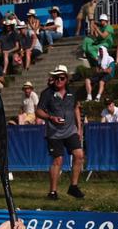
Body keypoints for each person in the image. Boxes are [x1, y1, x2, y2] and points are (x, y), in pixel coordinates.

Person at [36, 65, 84, 200]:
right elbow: (38, 112)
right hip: (54, 133)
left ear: (66, 79)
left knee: (79, 155)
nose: (58, 80)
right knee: (58, 160)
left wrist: (79, 128)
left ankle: (73, 187)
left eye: (61, 78)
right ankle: (52, 192)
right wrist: (50, 117)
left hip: (70, 131)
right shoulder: (47, 93)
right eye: (56, 78)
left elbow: (76, 109)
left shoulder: (72, 92)